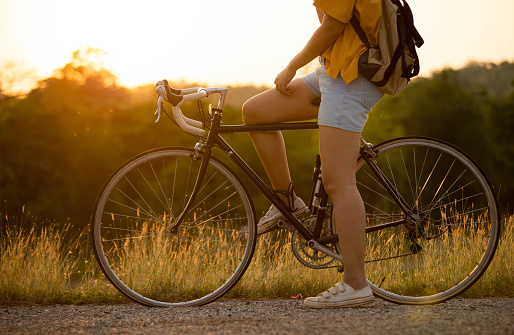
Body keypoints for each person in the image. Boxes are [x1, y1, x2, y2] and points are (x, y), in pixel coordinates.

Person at [242, 0, 384, 308]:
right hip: (333, 72)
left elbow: (332, 26)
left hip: (352, 78)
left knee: (338, 182)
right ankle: (286, 201)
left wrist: (293, 65)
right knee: (255, 112)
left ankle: (355, 284)